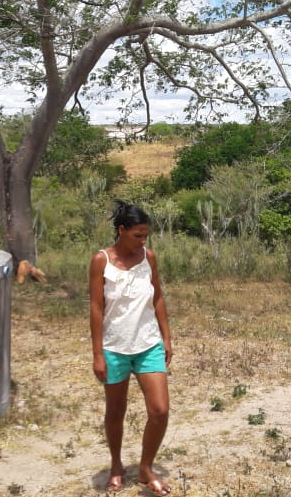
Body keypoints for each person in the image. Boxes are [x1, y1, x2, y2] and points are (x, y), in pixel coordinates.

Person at [89, 200, 173, 496]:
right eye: (137, 235)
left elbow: (157, 297)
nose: (142, 241)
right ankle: (116, 466)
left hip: (148, 344)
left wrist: (166, 337)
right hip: (114, 347)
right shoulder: (101, 260)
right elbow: (96, 308)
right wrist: (98, 354)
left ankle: (146, 468)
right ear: (121, 230)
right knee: (116, 411)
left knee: (160, 410)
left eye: (145, 235)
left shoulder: (148, 257)